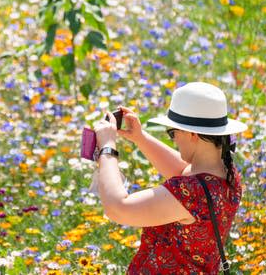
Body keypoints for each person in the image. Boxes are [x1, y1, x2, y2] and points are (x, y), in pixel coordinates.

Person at [92, 82, 246, 274]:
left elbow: (118, 208)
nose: (173, 140)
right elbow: (184, 171)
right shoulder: (226, 174)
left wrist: (107, 147)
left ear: (192, 134)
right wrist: (140, 138)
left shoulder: (190, 192)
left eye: (173, 133)